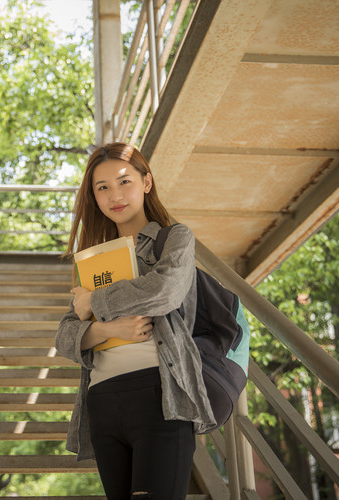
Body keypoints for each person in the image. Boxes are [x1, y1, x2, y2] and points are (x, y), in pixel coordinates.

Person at [55, 142, 215, 500]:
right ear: (93, 197)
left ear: (146, 182)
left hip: (160, 394)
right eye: (103, 187)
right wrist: (106, 329)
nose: (115, 195)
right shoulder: (93, 260)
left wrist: (96, 301)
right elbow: (65, 336)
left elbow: (165, 292)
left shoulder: (174, 238)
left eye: (124, 181)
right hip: (102, 400)